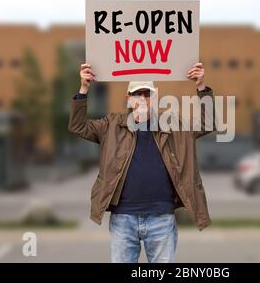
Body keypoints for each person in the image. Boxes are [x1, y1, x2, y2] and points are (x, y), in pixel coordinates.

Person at [68, 62, 215, 263]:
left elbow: (208, 124)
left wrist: (201, 86)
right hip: (123, 220)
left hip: (161, 218)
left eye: (147, 94)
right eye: (138, 94)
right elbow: (77, 126)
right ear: (129, 99)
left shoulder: (172, 124)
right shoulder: (111, 125)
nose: (143, 99)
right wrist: (84, 89)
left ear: (154, 97)